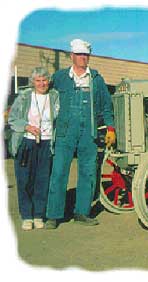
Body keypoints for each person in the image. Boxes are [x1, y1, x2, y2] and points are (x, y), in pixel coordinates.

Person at [45, 39, 116, 229]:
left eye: (86, 55)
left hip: (89, 133)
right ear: (72, 56)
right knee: (59, 172)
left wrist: (110, 127)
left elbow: (106, 106)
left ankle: (82, 212)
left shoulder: (96, 79)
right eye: (79, 55)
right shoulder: (59, 77)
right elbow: (45, 97)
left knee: (88, 172)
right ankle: (53, 215)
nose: (83, 58)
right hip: (64, 132)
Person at [8, 67, 59, 230]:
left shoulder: (54, 96)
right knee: (24, 180)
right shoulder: (24, 96)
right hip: (26, 142)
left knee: (42, 180)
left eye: (44, 80)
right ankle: (27, 216)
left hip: (47, 142)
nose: (42, 83)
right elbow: (12, 118)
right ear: (32, 82)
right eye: (38, 80)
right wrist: (27, 127)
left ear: (48, 81)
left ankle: (38, 215)